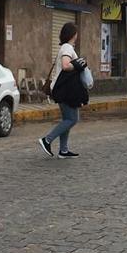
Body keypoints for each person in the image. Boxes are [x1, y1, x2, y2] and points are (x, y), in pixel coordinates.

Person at [38, 23, 87, 159]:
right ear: (73, 34)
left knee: (67, 119)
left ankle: (63, 150)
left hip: (64, 88)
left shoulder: (66, 47)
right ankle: (47, 140)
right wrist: (78, 64)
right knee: (72, 119)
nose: (77, 35)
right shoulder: (67, 47)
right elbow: (66, 66)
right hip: (64, 89)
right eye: (76, 33)